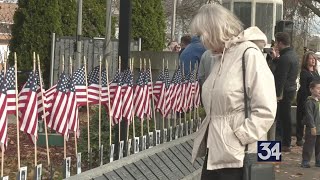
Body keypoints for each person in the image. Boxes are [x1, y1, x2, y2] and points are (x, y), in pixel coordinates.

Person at [190, 4, 277, 180]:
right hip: (217, 151)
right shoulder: (219, 58)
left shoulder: (249, 54)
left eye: (202, 34)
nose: (201, 41)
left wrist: (241, 136)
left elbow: (266, 108)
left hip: (240, 154)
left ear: (213, 31)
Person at [273, 32, 299, 152]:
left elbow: (280, 78)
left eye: (276, 42)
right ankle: (286, 142)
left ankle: (283, 142)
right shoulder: (292, 55)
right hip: (291, 89)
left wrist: (277, 95)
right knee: (286, 117)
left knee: (282, 118)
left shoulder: (285, 58)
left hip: (284, 92)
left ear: (280, 42)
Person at [296, 52, 320, 146]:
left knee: (314, 117)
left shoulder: (316, 72)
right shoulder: (304, 72)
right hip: (305, 97)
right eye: (311, 58)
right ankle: (299, 138)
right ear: (306, 60)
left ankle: (314, 136)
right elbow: (304, 88)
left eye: (314, 58)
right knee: (301, 118)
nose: (313, 60)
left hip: (316, 98)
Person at [301, 80, 320, 168]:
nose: (319, 90)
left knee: (319, 146)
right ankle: (305, 161)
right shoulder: (310, 102)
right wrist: (312, 126)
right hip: (312, 127)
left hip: (319, 127)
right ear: (311, 90)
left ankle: (318, 160)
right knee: (309, 144)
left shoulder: (318, 101)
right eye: (318, 88)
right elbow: (309, 115)